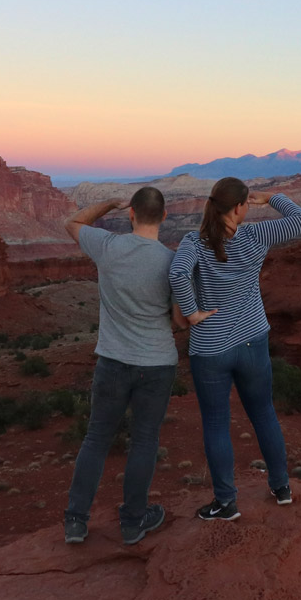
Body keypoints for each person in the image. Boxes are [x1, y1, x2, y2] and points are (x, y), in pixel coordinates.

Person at [168, 177, 301, 521]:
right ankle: (281, 488)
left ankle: (226, 503)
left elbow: (177, 274)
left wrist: (192, 313)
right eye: (246, 203)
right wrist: (272, 197)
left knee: (217, 424)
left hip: (211, 348)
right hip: (252, 340)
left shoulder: (195, 242)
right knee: (264, 413)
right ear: (238, 207)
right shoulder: (255, 236)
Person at [62, 186, 175, 546]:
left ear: (131, 214)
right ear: (165, 217)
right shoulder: (172, 262)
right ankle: (132, 522)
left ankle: (76, 522)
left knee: (96, 438)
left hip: (112, 360)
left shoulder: (108, 246)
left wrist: (110, 202)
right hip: (156, 363)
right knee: (144, 441)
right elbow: (179, 317)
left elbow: (74, 222)